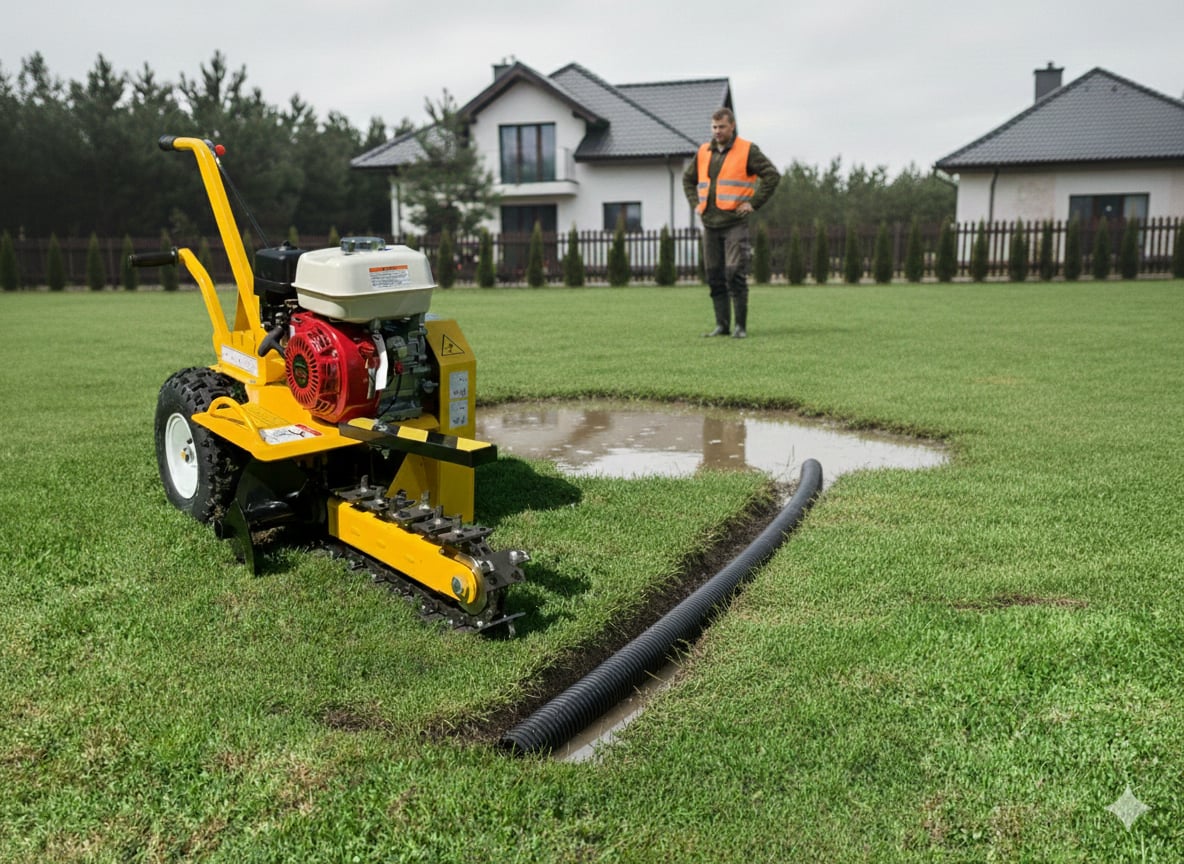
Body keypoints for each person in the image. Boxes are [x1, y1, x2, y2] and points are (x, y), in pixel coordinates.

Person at [683, 108, 780, 338]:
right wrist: (695, 203)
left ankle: (740, 327)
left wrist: (753, 203)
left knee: (734, 271)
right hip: (710, 224)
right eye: (714, 127)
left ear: (732, 126)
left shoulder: (747, 150)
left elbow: (772, 175)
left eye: (722, 127)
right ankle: (722, 325)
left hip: (734, 222)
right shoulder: (704, 151)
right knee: (714, 274)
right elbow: (688, 179)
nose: (717, 131)